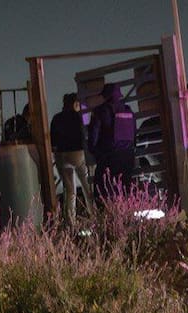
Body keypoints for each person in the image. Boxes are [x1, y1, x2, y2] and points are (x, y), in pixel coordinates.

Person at [87, 83, 137, 202]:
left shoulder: (99, 111)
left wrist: (94, 152)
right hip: (127, 157)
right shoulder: (128, 110)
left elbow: (93, 135)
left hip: (108, 156)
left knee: (104, 191)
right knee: (125, 191)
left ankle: (110, 218)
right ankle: (127, 217)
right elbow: (134, 134)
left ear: (105, 96)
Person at [50, 92, 91, 222]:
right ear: (75, 104)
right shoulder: (79, 117)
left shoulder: (56, 118)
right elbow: (86, 133)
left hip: (61, 155)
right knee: (86, 186)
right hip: (77, 153)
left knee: (69, 190)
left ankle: (70, 221)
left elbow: (52, 140)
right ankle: (94, 214)